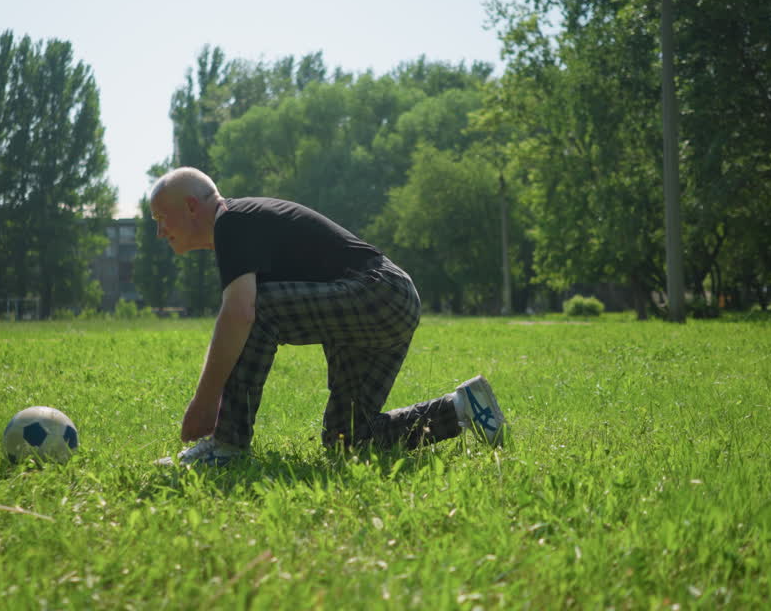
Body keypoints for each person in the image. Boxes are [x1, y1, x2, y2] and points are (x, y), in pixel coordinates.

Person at [148, 167, 505, 466]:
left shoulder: (231, 221)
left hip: (379, 293)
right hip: (388, 300)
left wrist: (205, 402)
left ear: (191, 206)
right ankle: (463, 407)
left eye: (161, 218)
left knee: (260, 309)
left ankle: (228, 446)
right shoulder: (238, 226)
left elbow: (240, 314)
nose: (159, 231)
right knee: (347, 440)